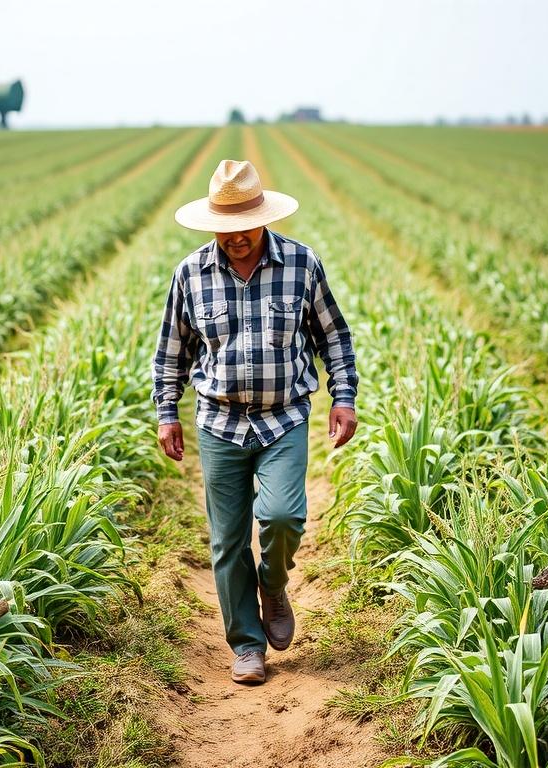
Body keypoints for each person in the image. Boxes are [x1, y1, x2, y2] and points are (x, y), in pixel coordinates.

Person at [151, 159, 358, 685]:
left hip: (283, 416)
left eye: (244, 227)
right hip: (219, 422)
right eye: (225, 229)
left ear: (263, 218)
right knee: (226, 541)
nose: (235, 238)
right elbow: (171, 352)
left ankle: (273, 584)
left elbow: (333, 335)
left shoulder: (301, 265)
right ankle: (246, 644)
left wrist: (343, 397)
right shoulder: (190, 274)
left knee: (284, 517)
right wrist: (167, 413)